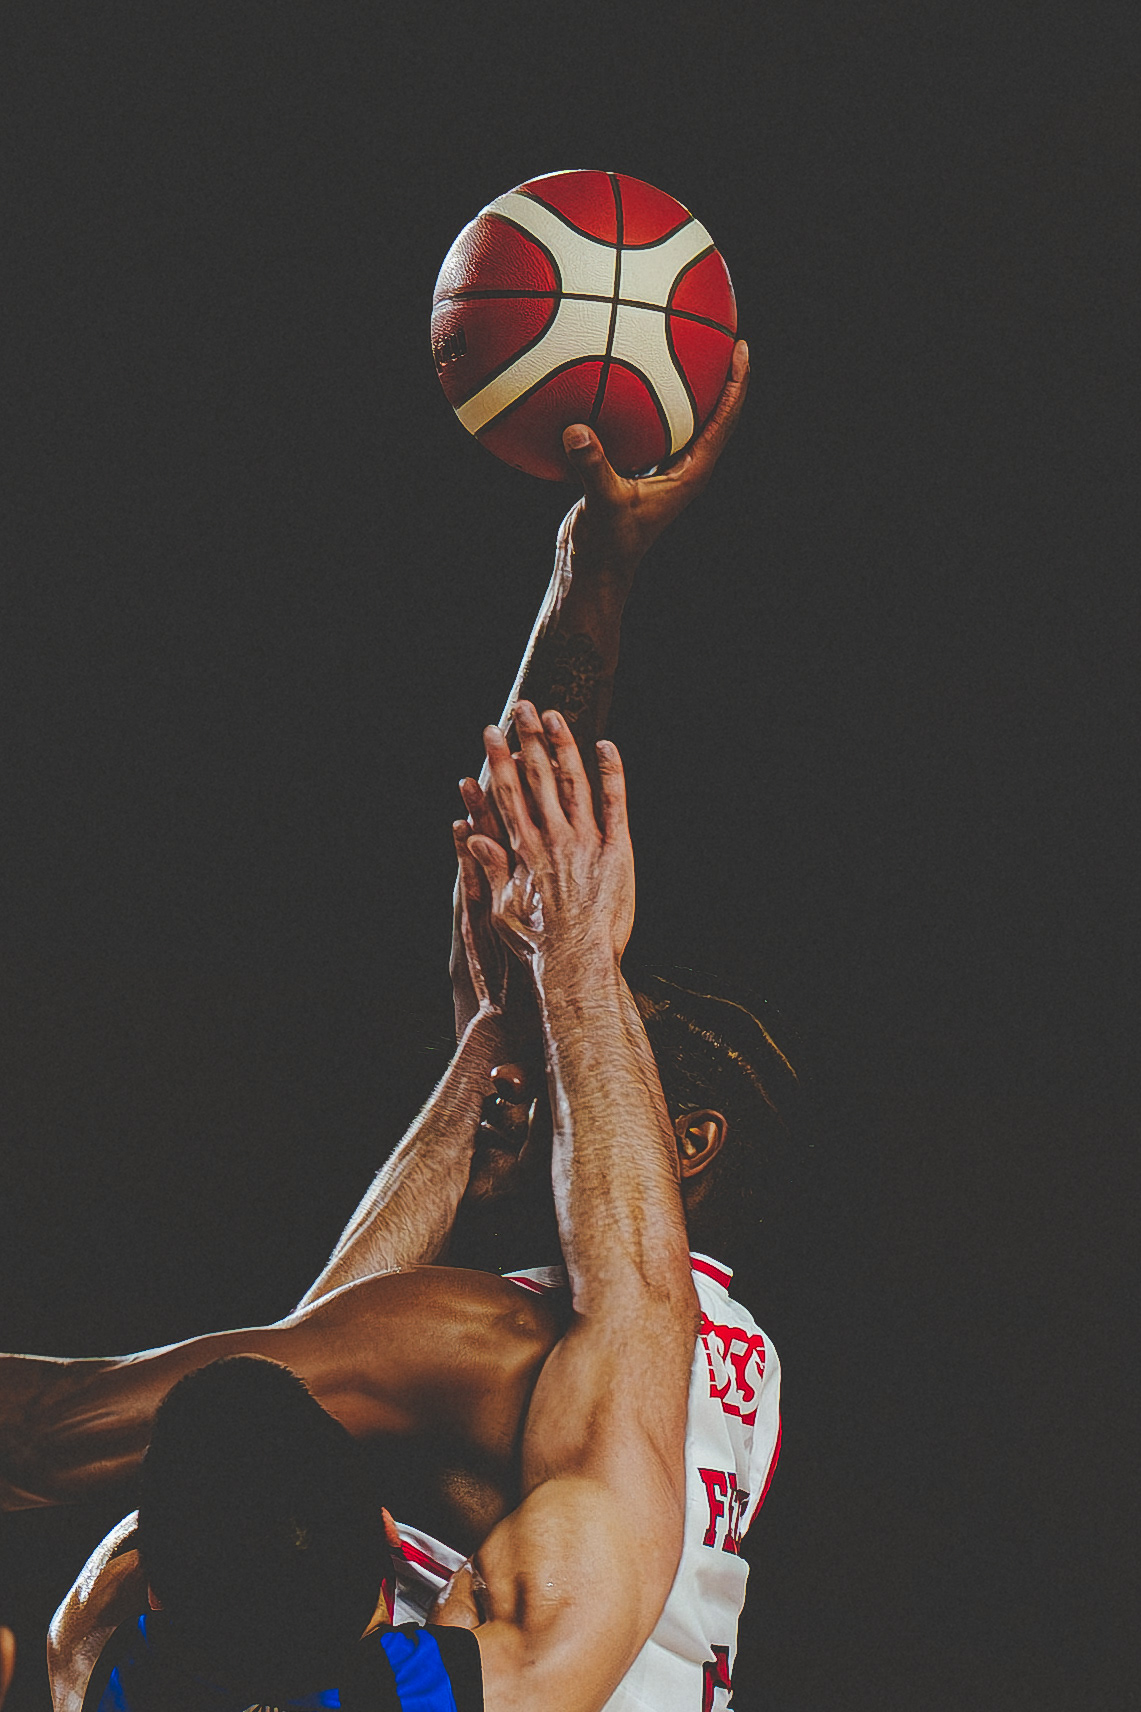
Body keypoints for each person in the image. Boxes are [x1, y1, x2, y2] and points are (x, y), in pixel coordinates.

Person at [4, 344, 785, 1707]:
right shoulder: (721, 1375)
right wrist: (572, 970)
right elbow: (323, 1370)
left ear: (691, 1135)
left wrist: (538, 990)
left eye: (600, 1025)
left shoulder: (464, 1348)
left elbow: (156, 1414)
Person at [45, 709, 701, 1712]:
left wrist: (486, 1043)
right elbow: (642, 1304)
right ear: (395, 1559)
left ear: (156, 1592)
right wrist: (573, 954)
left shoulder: (90, 1656)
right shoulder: (510, 1672)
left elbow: (319, 1356)